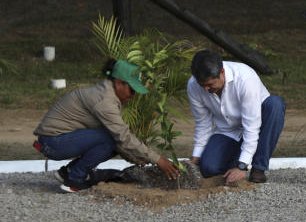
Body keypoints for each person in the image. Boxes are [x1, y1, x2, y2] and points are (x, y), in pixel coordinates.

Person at [33, 59, 180, 193]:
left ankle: (68, 172)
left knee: (112, 138)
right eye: (132, 90)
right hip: (53, 142)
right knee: (111, 138)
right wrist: (158, 160)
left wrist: (137, 158)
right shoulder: (105, 101)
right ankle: (75, 180)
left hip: (57, 140)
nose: (133, 95)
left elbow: (120, 140)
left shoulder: (107, 94)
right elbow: (123, 137)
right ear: (118, 82)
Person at [187, 50, 286, 185]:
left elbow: (252, 125)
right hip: (228, 131)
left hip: (260, 123)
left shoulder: (245, 78)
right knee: (209, 168)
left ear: (222, 73)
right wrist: (195, 158)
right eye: (202, 85)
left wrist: (242, 166)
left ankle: (258, 167)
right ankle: (237, 161)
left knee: (275, 104)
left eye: (210, 85)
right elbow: (202, 124)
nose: (205, 89)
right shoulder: (193, 85)